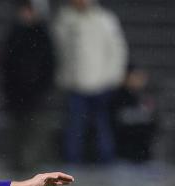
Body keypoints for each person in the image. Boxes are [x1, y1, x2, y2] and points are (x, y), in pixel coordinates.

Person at [52, 0, 127, 165]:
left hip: (101, 83)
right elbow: (60, 50)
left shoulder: (105, 19)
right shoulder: (65, 20)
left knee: (101, 126)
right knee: (76, 126)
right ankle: (73, 161)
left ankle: (105, 160)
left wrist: (112, 77)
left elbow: (117, 50)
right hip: (75, 84)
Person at [1, 0, 55, 172]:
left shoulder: (43, 36)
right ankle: (19, 170)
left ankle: (31, 169)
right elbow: (7, 66)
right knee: (17, 136)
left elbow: (49, 66)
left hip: (36, 97)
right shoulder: (15, 35)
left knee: (35, 135)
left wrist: (41, 89)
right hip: (17, 97)